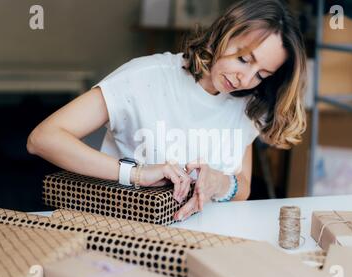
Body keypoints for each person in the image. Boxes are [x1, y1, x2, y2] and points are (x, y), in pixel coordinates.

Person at [27, 0, 307, 221]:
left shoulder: (248, 103)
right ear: (224, 30)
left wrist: (220, 183)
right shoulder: (144, 77)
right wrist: (137, 174)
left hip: (200, 243)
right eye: (244, 59)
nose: (245, 80)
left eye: (261, 74)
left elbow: (242, 187)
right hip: (120, 232)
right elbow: (43, 139)